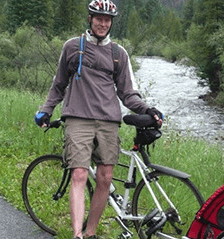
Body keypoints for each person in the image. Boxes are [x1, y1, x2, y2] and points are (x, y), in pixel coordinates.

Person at [34, 0, 163, 238]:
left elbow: (127, 93)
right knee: (80, 174)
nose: (102, 23)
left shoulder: (118, 53)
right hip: (78, 118)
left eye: (107, 20)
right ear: (90, 19)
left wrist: (148, 109)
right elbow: (58, 84)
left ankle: (91, 231)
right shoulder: (72, 47)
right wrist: (47, 109)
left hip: (108, 121)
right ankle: (77, 234)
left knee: (105, 177)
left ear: (111, 22)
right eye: (98, 19)